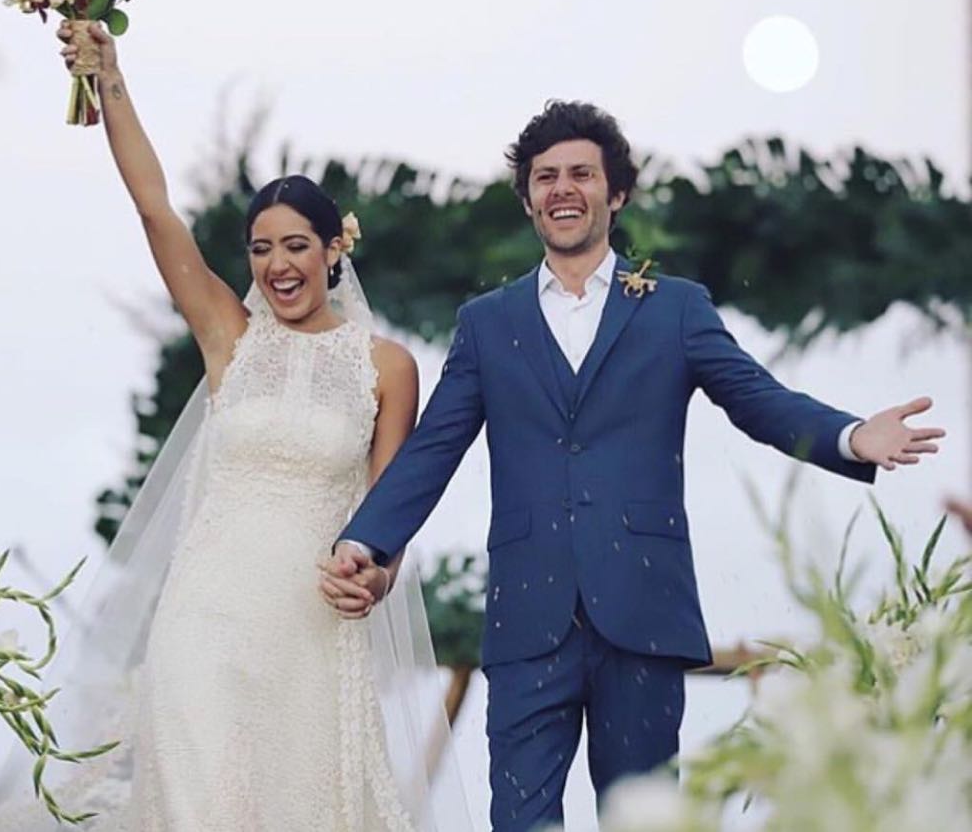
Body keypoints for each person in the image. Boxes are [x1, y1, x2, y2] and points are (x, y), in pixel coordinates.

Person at [321, 101, 946, 830]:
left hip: (644, 612)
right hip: (528, 619)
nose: (562, 188)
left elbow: (757, 399)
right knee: (519, 820)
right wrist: (364, 539)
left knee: (642, 820)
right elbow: (433, 448)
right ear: (527, 199)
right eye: (545, 177)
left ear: (615, 193)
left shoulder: (676, 309)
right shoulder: (486, 325)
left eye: (581, 174)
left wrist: (850, 435)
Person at [0, 22, 470, 831]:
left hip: (311, 632)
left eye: (296, 246)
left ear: (333, 251)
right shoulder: (227, 338)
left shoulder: (387, 368)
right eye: (260, 249)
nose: (277, 265)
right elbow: (154, 209)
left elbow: (393, 511)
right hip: (203, 620)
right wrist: (109, 77)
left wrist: (377, 579)